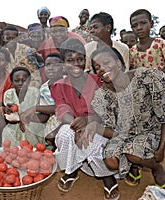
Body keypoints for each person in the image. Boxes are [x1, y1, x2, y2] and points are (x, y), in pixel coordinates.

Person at [89, 45, 165, 193]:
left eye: (106, 62)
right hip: (125, 135)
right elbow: (112, 130)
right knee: (110, 161)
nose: (102, 69)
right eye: (97, 67)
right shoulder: (101, 96)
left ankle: (156, 168)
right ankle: (135, 165)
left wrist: (161, 149)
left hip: (152, 129)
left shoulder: (147, 77)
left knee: (133, 154)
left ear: (118, 62)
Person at [50, 38, 117, 200]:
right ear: (63, 63)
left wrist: (88, 122)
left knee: (91, 138)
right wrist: (76, 124)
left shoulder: (98, 81)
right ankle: (71, 170)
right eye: (70, 60)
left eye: (80, 59)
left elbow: (107, 110)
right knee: (65, 134)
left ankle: (107, 176)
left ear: (85, 61)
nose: (75, 64)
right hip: (74, 123)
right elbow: (61, 108)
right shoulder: (59, 85)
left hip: (100, 125)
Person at [20, 53, 64, 149]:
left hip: (67, 121)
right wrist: (28, 117)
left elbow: (62, 108)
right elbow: (44, 116)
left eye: (56, 65)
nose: (51, 68)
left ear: (63, 67)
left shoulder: (67, 83)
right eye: (47, 65)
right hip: (51, 123)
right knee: (29, 127)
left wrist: (35, 107)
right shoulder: (44, 88)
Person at [1, 67, 45, 146]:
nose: (20, 83)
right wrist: (8, 111)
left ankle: (34, 151)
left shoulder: (35, 92)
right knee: (7, 131)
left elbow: (41, 115)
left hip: (32, 122)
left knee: (30, 131)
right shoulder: (9, 94)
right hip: (15, 123)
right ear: (12, 81)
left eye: (24, 80)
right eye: (17, 81)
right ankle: (11, 152)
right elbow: (10, 117)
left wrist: (26, 118)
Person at [129, 9, 165, 74]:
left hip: (160, 83)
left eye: (143, 23)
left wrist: (155, 76)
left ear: (151, 24)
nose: (139, 28)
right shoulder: (132, 51)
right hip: (140, 83)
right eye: (135, 25)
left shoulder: (162, 44)